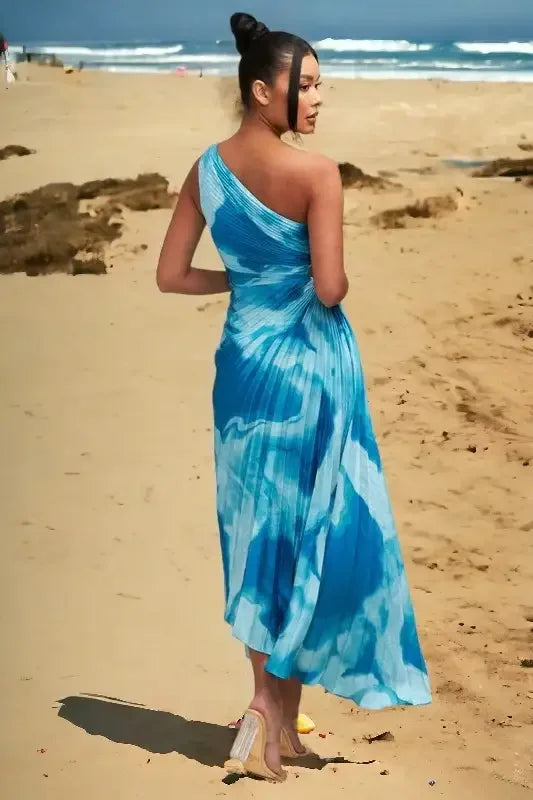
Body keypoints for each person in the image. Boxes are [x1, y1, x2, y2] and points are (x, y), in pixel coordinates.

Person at [157, 11, 431, 783]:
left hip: (245, 371)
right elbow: (330, 286)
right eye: (305, 85)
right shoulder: (316, 175)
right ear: (260, 89)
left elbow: (171, 275)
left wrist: (247, 280)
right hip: (309, 367)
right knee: (314, 526)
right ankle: (269, 715)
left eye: (318, 85)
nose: (317, 98)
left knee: (258, 537)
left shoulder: (206, 170)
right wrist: (301, 276)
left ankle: (271, 717)